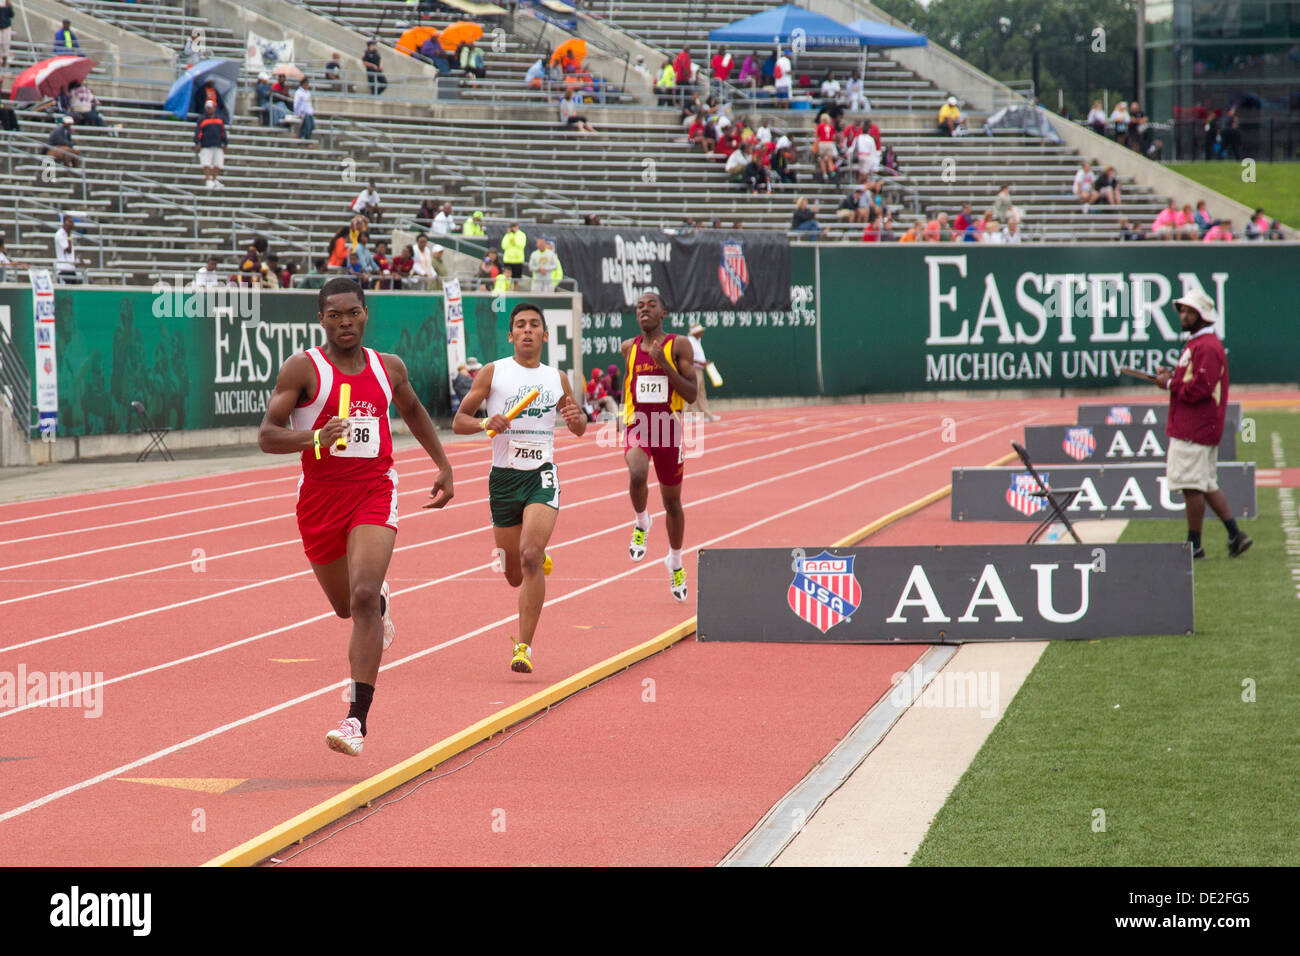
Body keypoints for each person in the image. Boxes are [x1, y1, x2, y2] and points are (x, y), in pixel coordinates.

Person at [258, 277, 454, 755]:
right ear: (320, 319)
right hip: (320, 500)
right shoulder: (303, 368)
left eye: (353, 313)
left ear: (366, 313)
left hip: (373, 489)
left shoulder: (389, 367)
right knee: (347, 607)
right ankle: (377, 601)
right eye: (334, 315)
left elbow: (413, 410)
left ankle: (355, 720)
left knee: (363, 596)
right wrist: (316, 438)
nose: (345, 323)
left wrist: (443, 465)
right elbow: (267, 434)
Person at [453, 302, 586, 674]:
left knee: (529, 556)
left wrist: (577, 419)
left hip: (541, 475)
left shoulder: (556, 378)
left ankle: (523, 646)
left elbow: (577, 427)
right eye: (521, 326)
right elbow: (459, 421)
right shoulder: (493, 373)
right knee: (514, 574)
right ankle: (535, 557)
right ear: (511, 335)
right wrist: (484, 424)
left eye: (534, 325)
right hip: (503, 479)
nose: (528, 330)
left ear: (544, 335)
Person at [1155, 290, 1251, 560]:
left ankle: (1194, 545)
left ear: (1202, 316)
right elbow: (1192, 379)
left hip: (1193, 427)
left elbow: (1201, 388)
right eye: (1183, 310)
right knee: (1206, 483)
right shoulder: (1200, 344)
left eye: (1190, 311)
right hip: (1197, 426)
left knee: (1192, 486)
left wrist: (1170, 384)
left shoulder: (1206, 346)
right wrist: (1171, 376)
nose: (1183, 315)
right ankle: (1235, 534)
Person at [621, 292, 697, 602]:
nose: (644, 310)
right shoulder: (628, 348)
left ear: (663, 312)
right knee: (637, 473)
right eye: (639, 306)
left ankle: (675, 561)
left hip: (668, 431)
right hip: (638, 426)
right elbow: (630, 386)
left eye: (651, 304)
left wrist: (665, 364)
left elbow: (691, 394)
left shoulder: (678, 345)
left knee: (673, 504)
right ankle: (641, 521)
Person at [685, 323, 718, 422]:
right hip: (693, 369)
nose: (702, 333)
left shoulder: (697, 341)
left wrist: (704, 363)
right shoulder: (689, 341)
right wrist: (701, 363)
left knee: (701, 393)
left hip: (699, 369)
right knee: (693, 391)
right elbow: (688, 358)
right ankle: (688, 415)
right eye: (700, 331)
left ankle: (706, 415)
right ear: (695, 332)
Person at [194, 101, 227, 190]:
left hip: (217, 144)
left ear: (214, 108)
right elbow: (198, 132)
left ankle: (214, 180)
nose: (209, 109)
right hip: (206, 145)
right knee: (206, 163)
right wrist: (197, 142)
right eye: (207, 108)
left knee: (218, 163)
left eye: (210, 107)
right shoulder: (202, 119)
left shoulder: (220, 119)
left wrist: (225, 142)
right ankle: (208, 180)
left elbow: (223, 132)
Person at [53, 214, 81, 283]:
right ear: (64, 222)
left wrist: (76, 261)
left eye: (72, 222)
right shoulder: (60, 234)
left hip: (71, 269)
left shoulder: (69, 235)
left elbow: (70, 254)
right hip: (63, 269)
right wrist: (68, 235)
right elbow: (68, 250)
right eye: (69, 222)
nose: (72, 224)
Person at [501, 221, 527, 287]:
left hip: (517, 261)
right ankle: (506, 293)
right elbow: (504, 246)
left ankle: (515, 294)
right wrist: (509, 235)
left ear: (517, 227)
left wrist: (514, 239)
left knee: (516, 281)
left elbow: (521, 245)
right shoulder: (507, 235)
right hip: (508, 260)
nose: (513, 228)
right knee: (506, 279)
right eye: (512, 227)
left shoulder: (522, 234)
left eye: (514, 226)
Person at [0, 0, 13, 69]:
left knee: (5, 44)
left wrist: (9, 7)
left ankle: (4, 59)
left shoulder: (8, 5)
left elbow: (11, 15)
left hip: (5, 27)